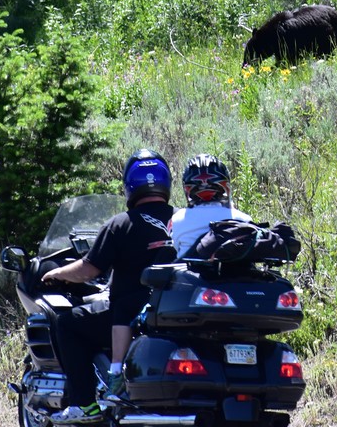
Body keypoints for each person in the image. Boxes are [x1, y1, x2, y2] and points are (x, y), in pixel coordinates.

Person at [41, 149, 176, 424]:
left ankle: (84, 404)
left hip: (129, 317)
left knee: (67, 324)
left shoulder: (120, 224)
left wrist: (57, 273)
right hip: (172, 313)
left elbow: (89, 269)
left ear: (129, 185)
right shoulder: (182, 221)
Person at [169, 153, 252, 258]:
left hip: (190, 272)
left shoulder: (177, 219)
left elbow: (176, 247)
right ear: (224, 185)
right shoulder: (242, 219)